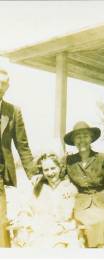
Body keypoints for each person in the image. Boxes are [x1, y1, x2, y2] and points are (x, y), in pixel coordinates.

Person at [63, 121, 104, 248]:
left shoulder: (103, 158)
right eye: (78, 137)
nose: (82, 140)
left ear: (91, 138)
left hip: (102, 202)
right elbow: (59, 178)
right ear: (73, 141)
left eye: (85, 136)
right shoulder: (69, 161)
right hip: (81, 204)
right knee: (90, 223)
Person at [9, 153, 82, 248]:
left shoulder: (69, 188)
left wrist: (62, 227)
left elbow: (73, 216)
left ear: (60, 168)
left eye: (53, 168)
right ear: (42, 172)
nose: (50, 173)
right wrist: (24, 225)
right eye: (46, 170)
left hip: (63, 232)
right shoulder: (38, 189)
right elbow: (27, 210)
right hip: (41, 231)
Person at [0, 68, 34, 247]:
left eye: (3, 83)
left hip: (0, 176)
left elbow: (23, 146)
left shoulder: (13, 111)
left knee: (1, 225)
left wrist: (33, 174)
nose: (0, 86)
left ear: (8, 86)